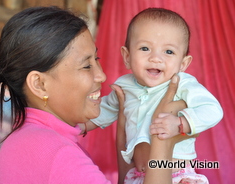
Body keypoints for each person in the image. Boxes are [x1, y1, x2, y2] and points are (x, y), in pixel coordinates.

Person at [0, 6, 192, 184]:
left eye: (97, 58)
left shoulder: (22, 139)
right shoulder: (56, 152)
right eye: (86, 66)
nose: (101, 75)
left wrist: (124, 164)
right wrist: (163, 141)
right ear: (39, 84)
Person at [82, 8, 223, 183]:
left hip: (178, 174)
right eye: (145, 48)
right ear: (127, 56)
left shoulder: (183, 84)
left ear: (183, 63)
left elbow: (212, 109)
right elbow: (103, 110)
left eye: (169, 52)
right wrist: (79, 127)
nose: (156, 58)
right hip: (138, 175)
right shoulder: (125, 85)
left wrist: (181, 124)